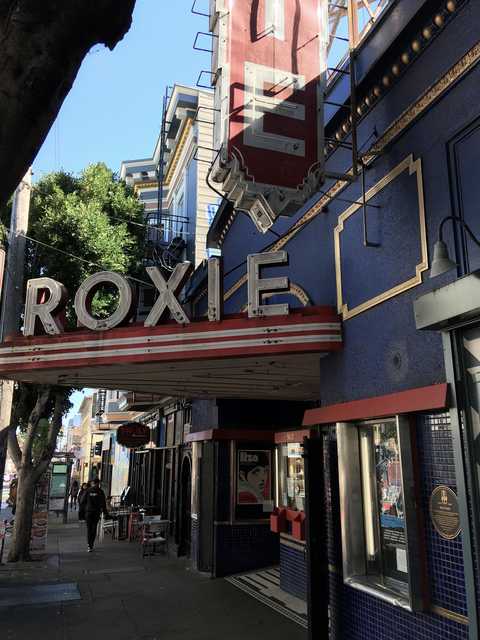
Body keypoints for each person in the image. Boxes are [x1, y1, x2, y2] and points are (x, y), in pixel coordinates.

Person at [79, 478, 109, 552]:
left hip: (88, 512)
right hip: (96, 512)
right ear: (98, 483)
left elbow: (82, 501)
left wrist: (82, 513)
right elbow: (103, 504)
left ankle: (89, 545)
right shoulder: (100, 491)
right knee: (94, 528)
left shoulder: (88, 491)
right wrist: (105, 513)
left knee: (89, 529)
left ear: (92, 483)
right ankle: (91, 543)